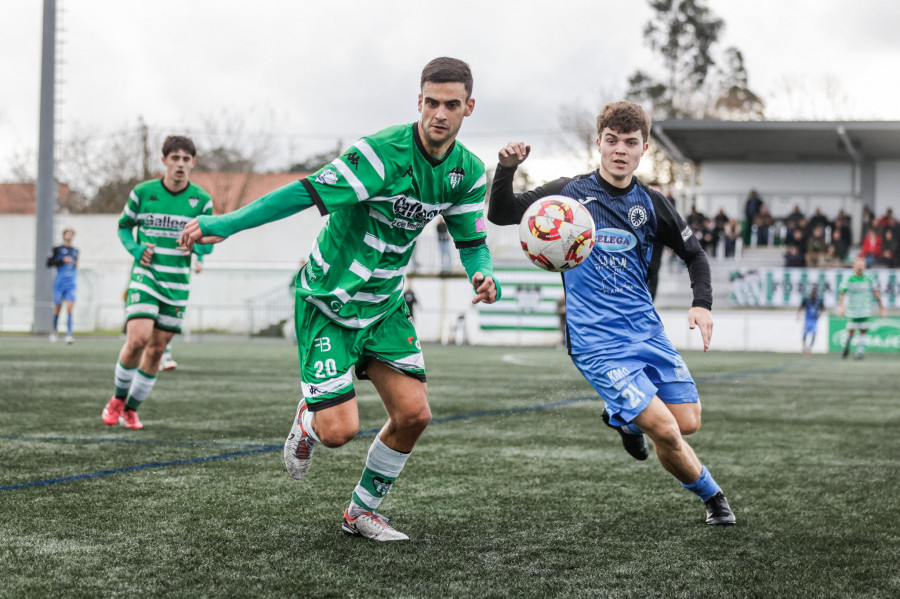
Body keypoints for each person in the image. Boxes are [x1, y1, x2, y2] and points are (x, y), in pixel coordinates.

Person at [180, 57, 499, 541]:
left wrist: (483, 275)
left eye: (451, 105)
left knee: (414, 415)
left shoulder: (469, 171)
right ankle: (307, 421)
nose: (439, 113)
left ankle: (360, 513)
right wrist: (224, 224)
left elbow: (471, 240)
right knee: (338, 432)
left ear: (468, 108)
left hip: (386, 305)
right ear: (419, 102)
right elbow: (303, 193)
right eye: (431, 102)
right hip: (329, 301)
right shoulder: (379, 155)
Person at [488, 101, 734, 526]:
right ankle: (714, 499)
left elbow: (694, 255)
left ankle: (623, 420)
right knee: (666, 429)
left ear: (644, 149)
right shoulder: (569, 193)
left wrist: (702, 303)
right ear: (598, 143)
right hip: (596, 342)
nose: (620, 149)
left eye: (631, 143)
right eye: (612, 141)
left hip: (646, 332)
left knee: (688, 421)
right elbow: (503, 213)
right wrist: (506, 169)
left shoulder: (653, 204)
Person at [101, 136, 213, 430]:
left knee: (157, 350)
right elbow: (124, 226)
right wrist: (137, 249)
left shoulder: (201, 200)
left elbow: (208, 239)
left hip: (177, 282)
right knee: (138, 339)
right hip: (146, 275)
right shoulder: (142, 193)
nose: (180, 164)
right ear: (164, 161)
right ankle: (117, 399)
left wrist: (198, 250)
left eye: (186, 159)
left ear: (193, 163)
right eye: (175, 158)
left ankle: (131, 409)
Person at [837, 256, 886, 360]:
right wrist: (841, 305)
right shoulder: (849, 278)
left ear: (864, 266)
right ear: (854, 265)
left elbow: (876, 293)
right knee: (851, 330)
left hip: (865, 309)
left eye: (862, 264)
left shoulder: (870, 278)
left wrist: (881, 307)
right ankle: (848, 343)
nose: (860, 266)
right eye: (858, 264)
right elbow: (842, 292)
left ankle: (859, 352)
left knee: (863, 330)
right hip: (853, 309)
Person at [46, 228, 79, 343]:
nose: (69, 236)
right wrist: (62, 261)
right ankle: (54, 330)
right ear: (64, 235)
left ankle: (69, 333)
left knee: (70, 308)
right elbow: (49, 263)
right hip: (60, 282)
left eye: (71, 234)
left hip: (71, 283)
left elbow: (76, 265)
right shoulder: (57, 249)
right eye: (67, 234)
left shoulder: (75, 251)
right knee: (57, 308)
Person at [797, 285, 825, 354]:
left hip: (814, 321)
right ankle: (804, 347)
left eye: (815, 293)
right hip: (807, 320)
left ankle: (810, 348)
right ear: (810, 293)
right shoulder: (807, 300)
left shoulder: (819, 301)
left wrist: (820, 313)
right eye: (813, 292)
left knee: (814, 334)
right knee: (805, 334)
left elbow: (823, 308)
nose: (814, 294)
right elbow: (800, 307)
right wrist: (798, 315)